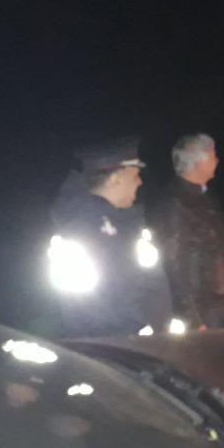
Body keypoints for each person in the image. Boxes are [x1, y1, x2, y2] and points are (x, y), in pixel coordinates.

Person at [49, 137, 172, 338]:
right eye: (135, 175)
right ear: (115, 179)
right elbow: (85, 308)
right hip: (112, 347)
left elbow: (152, 284)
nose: (140, 182)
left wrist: (158, 330)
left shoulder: (130, 227)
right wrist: (134, 335)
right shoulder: (77, 232)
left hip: (148, 343)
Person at [152, 133, 224, 330]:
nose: (218, 161)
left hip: (221, 301)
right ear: (199, 162)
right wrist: (190, 314)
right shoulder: (175, 204)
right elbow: (173, 262)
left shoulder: (206, 196)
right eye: (213, 156)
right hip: (202, 307)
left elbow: (220, 246)